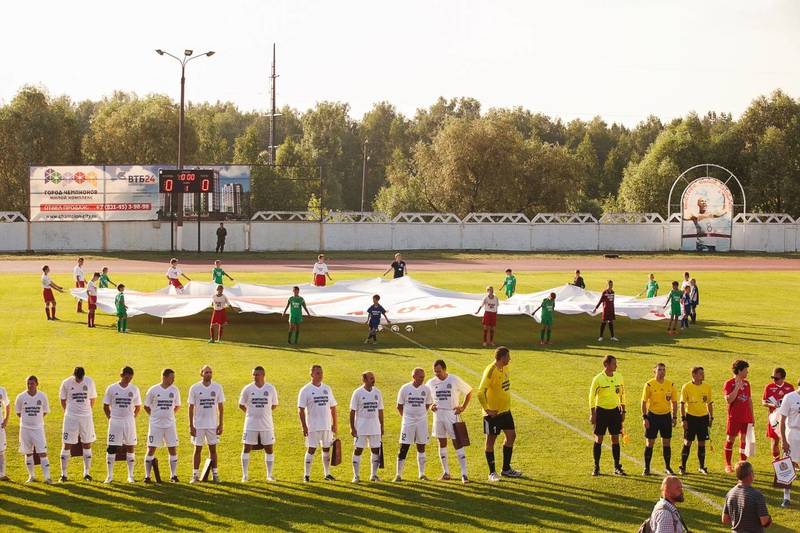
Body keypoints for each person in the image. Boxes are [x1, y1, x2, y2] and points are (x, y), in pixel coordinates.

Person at [477, 346, 522, 481]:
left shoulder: (505, 368)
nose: (510, 359)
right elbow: (480, 392)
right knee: (490, 441)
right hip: (493, 415)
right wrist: (487, 410)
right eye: (508, 357)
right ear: (502, 358)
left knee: (511, 436)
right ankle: (492, 472)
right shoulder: (491, 370)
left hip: (505, 412)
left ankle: (506, 469)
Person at [427, 360, 472, 483]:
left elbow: (469, 392)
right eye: (435, 371)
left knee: (457, 442)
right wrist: (431, 406)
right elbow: (428, 399)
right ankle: (446, 472)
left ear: (445, 370)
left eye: (439, 371)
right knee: (441, 442)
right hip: (438, 415)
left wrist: (462, 407)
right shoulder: (430, 383)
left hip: (452, 414)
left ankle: (464, 474)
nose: (437, 374)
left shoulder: (453, 379)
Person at [298, 365, 338, 482]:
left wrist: (334, 424)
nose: (320, 375)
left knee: (326, 449)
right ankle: (307, 475)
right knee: (311, 449)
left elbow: (333, 407)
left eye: (321, 373)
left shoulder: (327, 388)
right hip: (313, 426)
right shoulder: (305, 390)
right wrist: (304, 426)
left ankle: (327, 473)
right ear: (311, 375)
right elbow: (300, 409)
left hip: (326, 425)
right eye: (317, 373)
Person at [588, 355, 627, 476]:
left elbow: (622, 394)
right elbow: (591, 397)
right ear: (606, 365)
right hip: (601, 412)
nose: (616, 365)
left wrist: (623, 410)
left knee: (615, 438)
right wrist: (592, 413)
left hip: (615, 411)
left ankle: (617, 466)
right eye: (614, 363)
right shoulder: (598, 379)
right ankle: (596, 466)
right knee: (599, 439)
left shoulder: (619, 377)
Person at [239, 366, 279, 482]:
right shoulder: (247, 389)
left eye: (257, 374)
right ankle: (245, 475)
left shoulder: (270, 388)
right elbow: (241, 404)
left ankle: (269, 475)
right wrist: (250, 413)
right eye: (254, 375)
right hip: (250, 424)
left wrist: (265, 413)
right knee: (246, 447)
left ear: (263, 375)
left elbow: (274, 404)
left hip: (266, 424)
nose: (255, 377)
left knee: (269, 448)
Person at [102, 366, 141, 484]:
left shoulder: (134, 389)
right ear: (121, 375)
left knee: (130, 446)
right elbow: (105, 406)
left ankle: (130, 476)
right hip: (115, 421)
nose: (128, 380)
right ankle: (109, 476)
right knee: (112, 447)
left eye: (130, 378)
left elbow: (138, 406)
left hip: (129, 422)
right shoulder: (112, 388)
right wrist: (110, 418)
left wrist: (132, 417)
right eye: (126, 377)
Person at [59, 367, 97, 482]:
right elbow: (62, 399)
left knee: (87, 443)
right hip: (71, 418)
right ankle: (63, 475)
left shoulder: (89, 381)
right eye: (77, 378)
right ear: (74, 375)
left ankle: (86, 473)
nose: (79, 380)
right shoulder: (66, 383)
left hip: (86, 417)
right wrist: (69, 412)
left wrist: (87, 411)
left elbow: (93, 398)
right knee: (67, 444)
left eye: (81, 378)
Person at [395, 367, 433, 482]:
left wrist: (420, 415)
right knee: (404, 447)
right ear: (414, 377)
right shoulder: (405, 388)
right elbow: (399, 406)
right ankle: (398, 475)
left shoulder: (426, 389)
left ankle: (422, 474)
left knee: (421, 446)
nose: (423, 379)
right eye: (421, 377)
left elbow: (427, 405)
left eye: (423, 377)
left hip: (422, 422)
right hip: (408, 422)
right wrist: (407, 417)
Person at [188, 365, 225, 483]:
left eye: (210, 372)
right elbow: (190, 407)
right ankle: (195, 475)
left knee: (213, 449)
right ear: (201, 373)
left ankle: (215, 474)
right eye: (206, 372)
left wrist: (221, 424)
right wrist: (191, 425)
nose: (208, 374)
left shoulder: (217, 387)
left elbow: (221, 407)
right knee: (197, 449)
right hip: (198, 425)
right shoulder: (194, 388)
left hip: (212, 425)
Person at [143, 369, 181, 484]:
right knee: (151, 449)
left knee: (172, 448)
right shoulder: (153, 390)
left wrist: (169, 416)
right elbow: (146, 406)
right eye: (171, 377)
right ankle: (147, 476)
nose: (173, 380)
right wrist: (154, 416)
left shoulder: (175, 390)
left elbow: (177, 406)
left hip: (170, 424)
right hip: (155, 425)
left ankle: (173, 475)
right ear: (164, 377)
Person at [642, 363, 678, 476]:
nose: (662, 372)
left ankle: (667, 467)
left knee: (666, 442)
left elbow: (674, 402)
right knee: (650, 443)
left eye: (663, 370)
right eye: (659, 370)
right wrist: (645, 418)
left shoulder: (670, 385)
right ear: (655, 371)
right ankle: (646, 468)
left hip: (666, 416)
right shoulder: (649, 384)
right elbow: (643, 402)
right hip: (652, 416)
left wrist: (674, 417)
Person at [15, 376, 52, 483]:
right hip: (25, 429)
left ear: (37, 384)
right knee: (28, 453)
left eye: (32, 383)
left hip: (38, 429)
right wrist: (28, 420)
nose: (30, 386)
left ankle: (47, 477)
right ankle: (31, 476)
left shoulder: (42, 396)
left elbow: (44, 411)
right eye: (28, 384)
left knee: (43, 452)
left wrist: (36, 420)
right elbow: (18, 413)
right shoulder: (21, 397)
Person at [349, 371, 384, 483]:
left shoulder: (377, 392)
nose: (373, 380)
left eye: (373, 378)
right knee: (358, 449)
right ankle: (356, 476)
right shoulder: (357, 393)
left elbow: (380, 410)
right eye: (370, 378)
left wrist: (381, 426)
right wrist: (352, 427)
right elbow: (352, 411)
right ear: (364, 380)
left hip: (375, 427)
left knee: (375, 450)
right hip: (361, 427)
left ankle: (373, 475)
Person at [679, 366, 713, 475]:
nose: (703, 375)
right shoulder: (687, 387)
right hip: (691, 417)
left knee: (702, 442)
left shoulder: (707, 387)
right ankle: (682, 467)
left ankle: (702, 467)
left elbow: (709, 403)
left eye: (703, 373)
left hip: (703, 418)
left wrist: (710, 417)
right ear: (693, 375)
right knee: (688, 442)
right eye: (700, 373)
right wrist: (683, 419)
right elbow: (682, 404)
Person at [723, 360, 754, 474]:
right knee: (730, 440)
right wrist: (737, 387)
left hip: (746, 417)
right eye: (746, 370)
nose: (747, 372)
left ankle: (743, 464)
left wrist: (752, 416)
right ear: (740, 370)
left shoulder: (747, 383)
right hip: (734, 417)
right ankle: (728, 465)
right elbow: (729, 400)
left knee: (744, 440)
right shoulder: (729, 383)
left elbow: (749, 400)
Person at [722, 461, 772, 531]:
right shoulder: (756, 495)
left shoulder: (730, 493)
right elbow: (764, 521)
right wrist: (769, 519)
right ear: (750, 474)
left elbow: (725, 519)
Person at [762, 367, 794, 460]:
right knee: (775, 440)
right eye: (773, 377)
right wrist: (772, 404)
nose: (774, 380)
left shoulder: (790, 387)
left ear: (783, 378)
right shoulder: (769, 387)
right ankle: (777, 461)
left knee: (788, 439)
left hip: (787, 418)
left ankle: (791, 461)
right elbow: (763, 402)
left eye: (776, 378)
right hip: (774, 419)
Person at [778, 378, 800, 508]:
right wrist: (783, 440)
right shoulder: (789, 397)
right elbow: (782, 420)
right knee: (787, 466)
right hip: (792, 434)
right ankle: (786, 497)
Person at [0, 382, 8, 481]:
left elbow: (7, 405)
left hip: (0, 424)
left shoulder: (2, 389)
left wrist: (6, 419)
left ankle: (1, 474)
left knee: (1, 450)